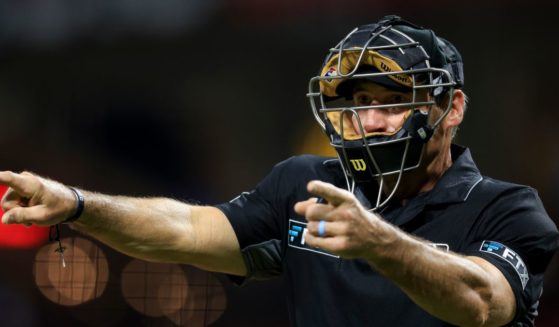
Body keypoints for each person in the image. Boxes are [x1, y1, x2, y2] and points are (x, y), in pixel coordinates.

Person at [1, 15, 558, 326]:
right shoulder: (305, 184)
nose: (371, 120)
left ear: (451, 108)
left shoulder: (507, 208)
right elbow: (186, 229)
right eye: (356, 102)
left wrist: (380, 244)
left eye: (392, 100)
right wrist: (76, 202)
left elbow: (485, 303)